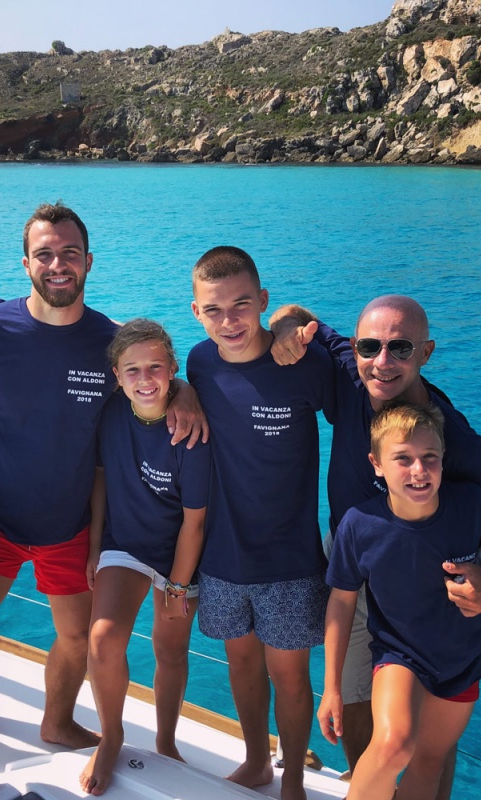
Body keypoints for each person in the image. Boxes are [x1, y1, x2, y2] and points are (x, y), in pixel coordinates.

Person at [0, 203, 205, 800]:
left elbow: (148, 376)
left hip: (70, 527)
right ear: (26, 263)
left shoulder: (106, 342)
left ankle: (56, 721)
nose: (58, 265)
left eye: (69, 253)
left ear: (88, 262)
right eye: (45, 254)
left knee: (80, 640)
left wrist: (184, 390)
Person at [270, 295, 481, 796]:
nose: (382, 361)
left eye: (401, 348)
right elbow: (295, 313)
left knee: (432, 736)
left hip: (426, 581)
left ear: (426, 352)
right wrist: (283, 328)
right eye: (371, 346)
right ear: (356, 347)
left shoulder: (455, 441)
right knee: (357, 704)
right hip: (355, 562)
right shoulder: (352, 371)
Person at [186, 246, 335, 800]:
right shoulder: (198, 364)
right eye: (214, 309)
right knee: (242, 664)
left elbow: (359, 400)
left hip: (290, 559)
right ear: (196, 312)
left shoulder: (302, 363)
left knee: (291, 677)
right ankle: (255, 762)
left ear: (263, 300)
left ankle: (293, 779)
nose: (229, 320)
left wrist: (295, 321)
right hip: (222, 555)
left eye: (242, 305)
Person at [318, 403, 481, 800]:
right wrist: (331, 686)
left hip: (462, 656)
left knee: (429, 762)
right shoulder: (359, 525)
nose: (419, 470)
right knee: (393, 745)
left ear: (443, 458)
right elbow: (342, 604)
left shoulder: (470, 504)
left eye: (429, 457)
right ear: (377, 464)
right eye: (403, 459)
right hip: (399, 655)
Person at [80, 319, 210, 796]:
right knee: (102, 640)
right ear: (116, 376)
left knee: (170, 649)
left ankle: (166, 740)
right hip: (126, 543)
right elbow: (100, 477)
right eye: (132, 369)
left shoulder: (190, 431)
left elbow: (195, 522)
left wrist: (177, 585)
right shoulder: (111, 411)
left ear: (173, 368)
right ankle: (111, 736)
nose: (144, 378)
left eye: (156, 367)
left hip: (180, 551)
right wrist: (95, 545)